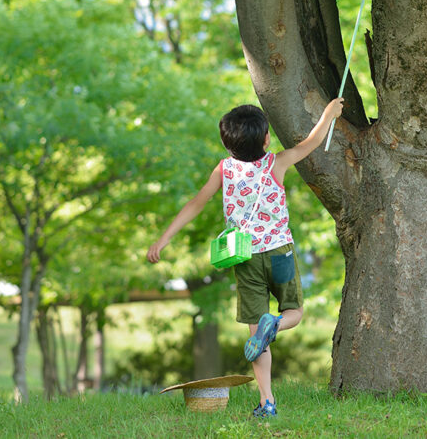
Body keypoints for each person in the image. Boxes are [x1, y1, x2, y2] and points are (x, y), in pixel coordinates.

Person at [147, 97, 344, 418]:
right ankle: (277, 323)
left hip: (245, 257)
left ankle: (267, 401)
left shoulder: (224, 169)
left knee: (256, 335)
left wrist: (164, 238)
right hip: (279, 250)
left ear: (227, 144)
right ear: (266, 139)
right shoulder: (276, 163)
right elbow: (312, 141)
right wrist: (329, 113)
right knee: (294, 312)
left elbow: (196, 203)